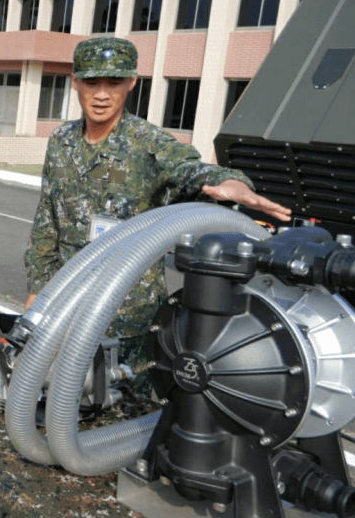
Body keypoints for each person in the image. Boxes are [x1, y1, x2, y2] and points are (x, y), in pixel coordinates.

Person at [24, 36, 291, 365]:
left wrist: (232, 183)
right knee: (61, 399)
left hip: (127, 318)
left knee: (125, 407)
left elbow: (190, 169)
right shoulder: (61, 140)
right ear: (75, 81)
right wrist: (38, 289)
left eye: (115, 82)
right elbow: (47, 219)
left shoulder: (148, 143)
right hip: (67, 303)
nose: (102, 94)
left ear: (132, 82)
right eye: (92, 82)